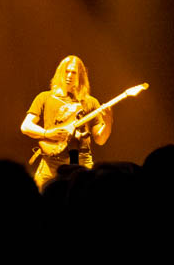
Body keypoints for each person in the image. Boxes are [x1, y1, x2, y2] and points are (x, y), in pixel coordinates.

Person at [21, 55, 113, 189]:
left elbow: (100, 140)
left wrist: (108, 121)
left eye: (73, 72)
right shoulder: (44, 97)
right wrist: (47, 133)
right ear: (60, 73)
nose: (69, 75)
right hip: (51, 163)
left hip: (82, 162)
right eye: (66, 71)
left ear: (81, 76)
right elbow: (25, 126)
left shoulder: (91, 102)